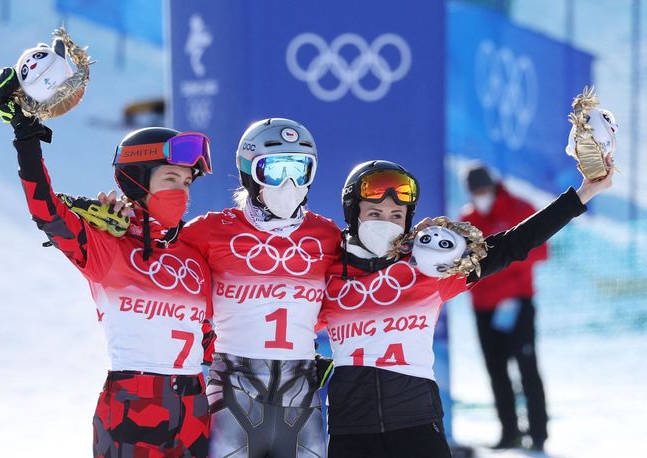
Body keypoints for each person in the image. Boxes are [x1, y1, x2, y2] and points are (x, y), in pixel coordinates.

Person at [318, 157, 614, 458]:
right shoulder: (327, 279)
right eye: (374, 213)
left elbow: (513, 244)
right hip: (350, 432)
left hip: (417, 427)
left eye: (396, 214)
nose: (386, 222)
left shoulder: (428, 271)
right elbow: (286, 327)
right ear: (352, 213)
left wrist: (581, 195)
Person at [0, 67, 214, 457]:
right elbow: (49, 213)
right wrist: (26, 137)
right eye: (170, 180)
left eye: (187, 183)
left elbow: (212, 340)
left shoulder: (194, 256)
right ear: (138, 181)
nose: (182, 192)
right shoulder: (109, 249)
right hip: (132, 404)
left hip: (194, 407)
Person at [180, 118, 342, 458]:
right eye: (275, 169)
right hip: (234, 387)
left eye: (300, 170)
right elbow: (154, 252)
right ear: (248, 174)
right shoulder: (209, 230)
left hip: (300, 390)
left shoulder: (327, 236)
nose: (288, 183)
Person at [459, 164, 549, 450]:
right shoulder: (467, 218)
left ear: (494, 186)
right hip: (484, 307)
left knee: (527, 368)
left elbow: (540, 251)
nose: (480, 196)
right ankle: (509, 432)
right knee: (496, 371)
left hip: (515, 304)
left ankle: (538, 434)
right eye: (475, 192)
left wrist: (502, 277)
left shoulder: (520, 208)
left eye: (483, 190)